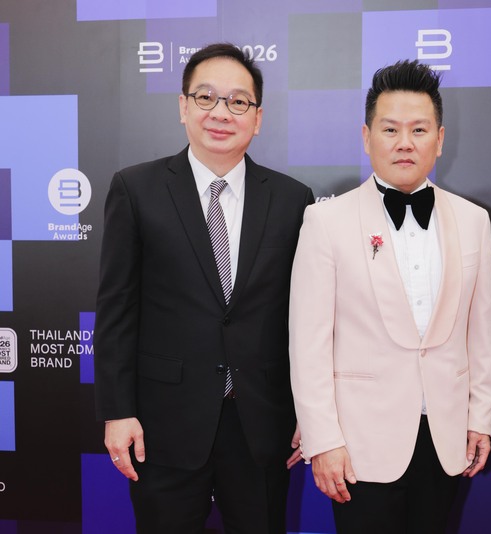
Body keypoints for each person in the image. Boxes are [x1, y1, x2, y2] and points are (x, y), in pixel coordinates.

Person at [94, 43, 314, 533]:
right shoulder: (136, 189)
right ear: (183, 106)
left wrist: (309, 410)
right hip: (163, 424)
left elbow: (304, 319)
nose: (221, 112)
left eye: (238, 101)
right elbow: (115, 311)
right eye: (206, 97)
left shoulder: (292, 199)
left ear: (258, 118)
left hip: (261, 423)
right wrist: (117, 412)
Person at [288, 59, 491, 534]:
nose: (405, 142)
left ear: (439, 139)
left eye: (419, 129)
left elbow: (480, 333)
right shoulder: (326, 222)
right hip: (359, 445)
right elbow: (308, 344)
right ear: (367, 137)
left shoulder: (473, 220)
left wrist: (480, 417)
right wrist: (323, 440)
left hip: (445, 439)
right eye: (390, 129)